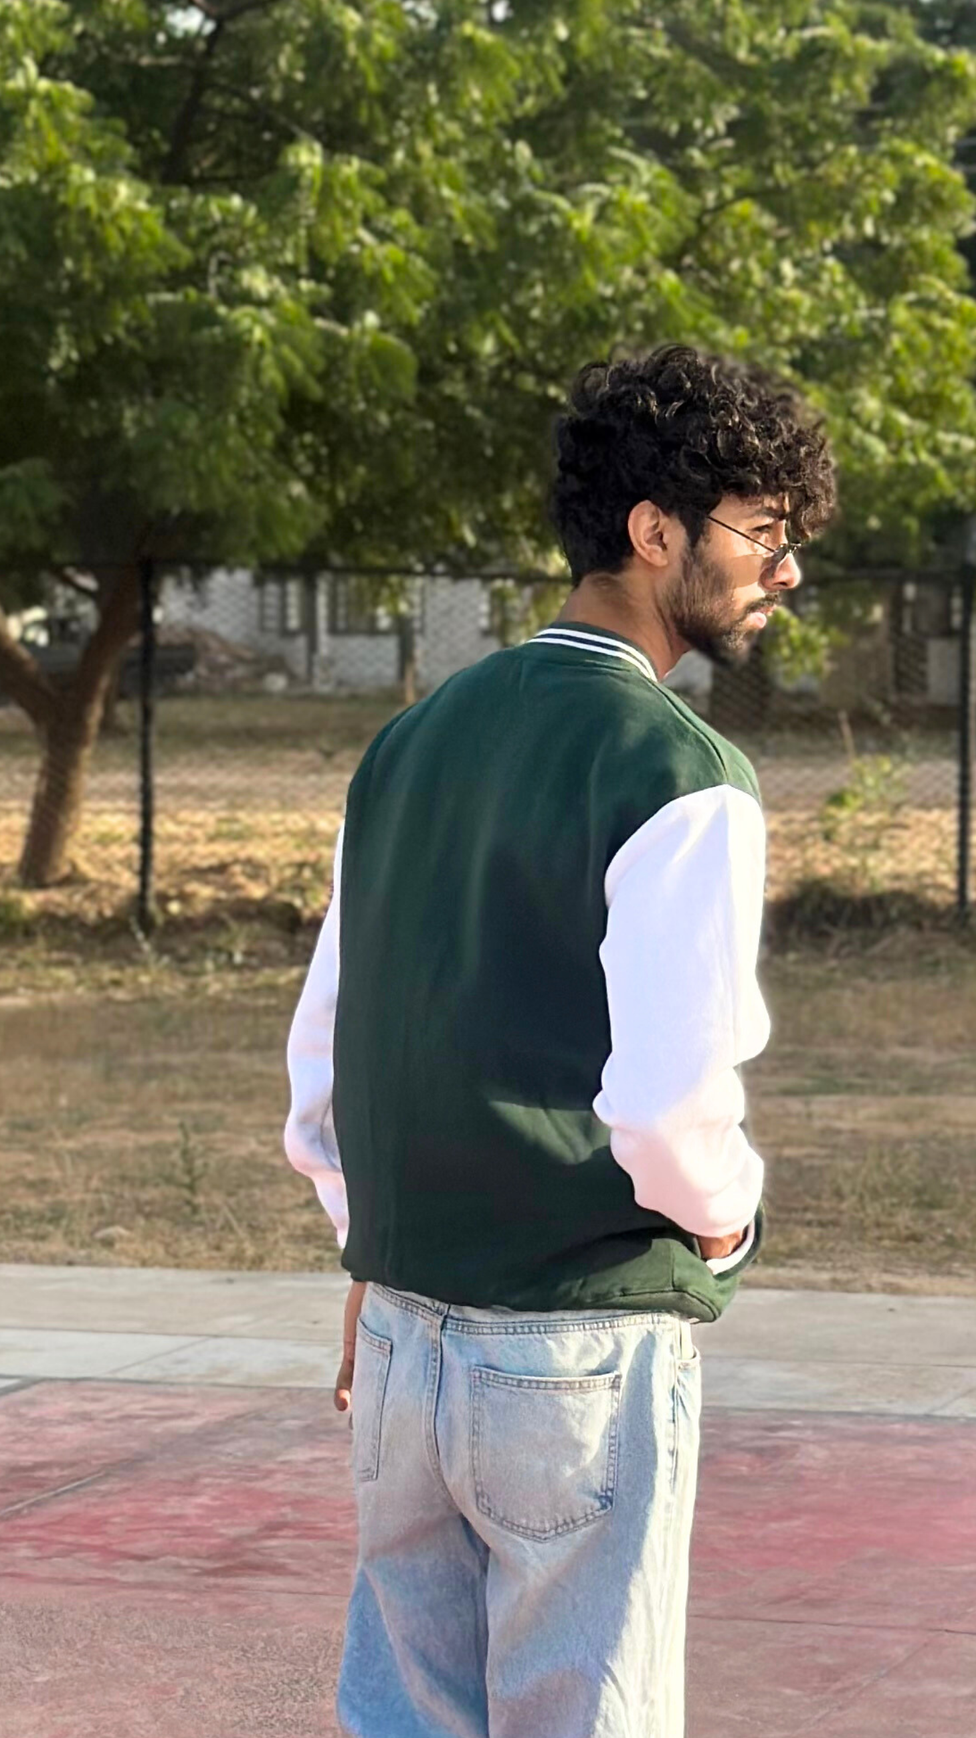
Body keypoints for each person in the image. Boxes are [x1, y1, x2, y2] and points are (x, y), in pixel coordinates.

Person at [284, 344, 836, 1737]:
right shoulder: (682, 771)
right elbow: (664, 1108)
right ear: (657, 533)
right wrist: (729, 1225)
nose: (787, 570)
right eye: (765, 532)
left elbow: (325, 1073)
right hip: (577, 1352)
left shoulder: (405, 743)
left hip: (403, 1342)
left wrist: (385, 1250)